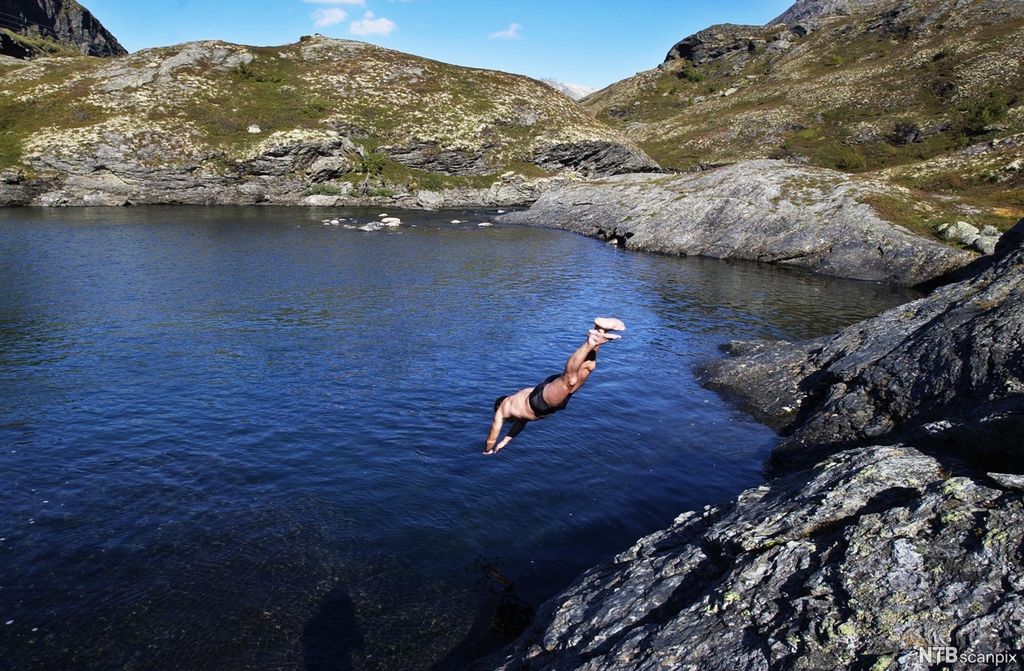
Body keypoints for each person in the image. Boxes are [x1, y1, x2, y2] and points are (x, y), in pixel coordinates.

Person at [483, 317, 625, 455]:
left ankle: (591, 342)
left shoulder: (502, 409)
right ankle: (600, 330)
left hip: (540, 401)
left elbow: (491, 438)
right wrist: (505, 441)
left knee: (569, 380)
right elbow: (519, 425)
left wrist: (487, 450)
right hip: (543, 392)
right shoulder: (517, 405)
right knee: (588, 367)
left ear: (499, 405)